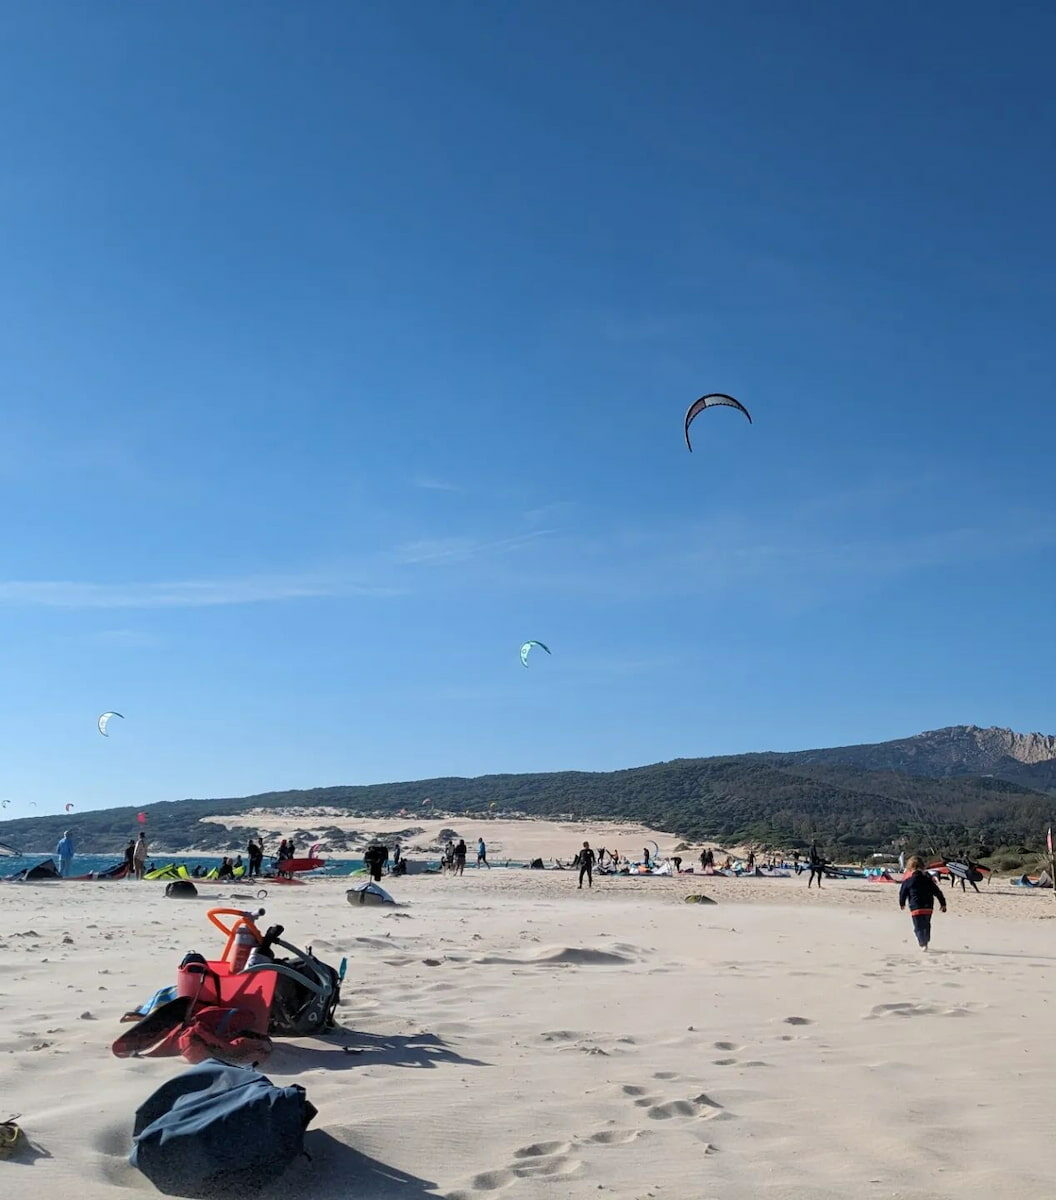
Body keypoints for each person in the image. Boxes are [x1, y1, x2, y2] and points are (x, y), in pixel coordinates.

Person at [899, 856, 947, 951]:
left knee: (918, 927)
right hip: (928, 907)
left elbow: (902, 893)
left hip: (916, 907)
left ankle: (922, 942)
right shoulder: (928, 880)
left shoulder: (908, 881)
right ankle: (926, 941)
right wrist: (943, 903)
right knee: (926, 924)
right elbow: (937, 892)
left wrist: (902, 903)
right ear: (923, 867)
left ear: (909, 868)